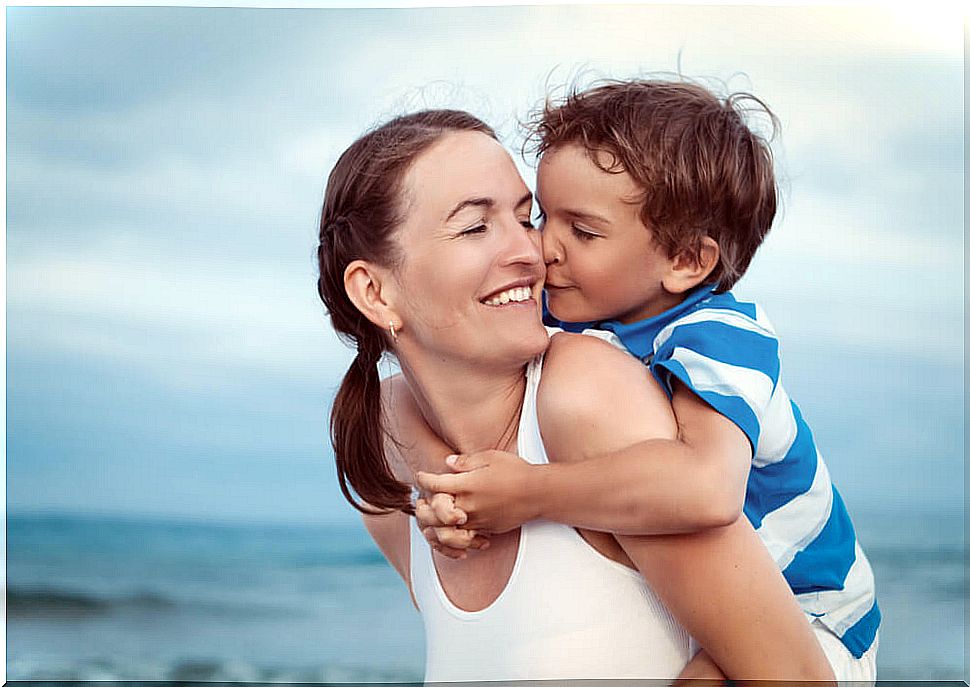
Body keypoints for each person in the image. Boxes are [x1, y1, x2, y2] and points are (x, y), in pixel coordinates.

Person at [316, 109, 835, 682]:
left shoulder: (584, 392)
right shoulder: (385, 446)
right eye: (475, 227)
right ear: (373, 291)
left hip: (830, 612)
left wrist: (532, 492)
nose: (535, 252)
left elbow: (797, 671)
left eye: (521, 217)